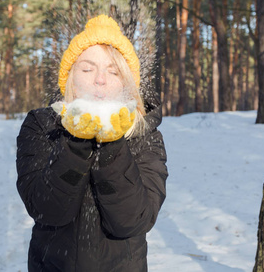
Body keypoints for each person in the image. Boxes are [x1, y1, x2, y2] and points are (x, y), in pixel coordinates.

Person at [16, 14, 168, 272]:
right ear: (70, 78)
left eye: (113, 70)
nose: (100, 79)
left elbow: (133, 221)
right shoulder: (43, 125)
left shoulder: (144, 133)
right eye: (87, 69)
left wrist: (112, 147)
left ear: (128, 83)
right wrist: (76, 144)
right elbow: (47, 211)